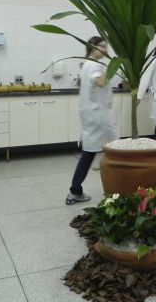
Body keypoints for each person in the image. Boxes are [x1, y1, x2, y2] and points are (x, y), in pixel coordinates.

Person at [66, 36, 116, 205]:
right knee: (109, 151)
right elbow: (100, 82)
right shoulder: (94, 65)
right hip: (98, 117)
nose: (105, 49)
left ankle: (76, 190)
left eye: (106, 46)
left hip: (93, 115)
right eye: (102, 46)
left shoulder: (87, 64)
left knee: (90, 153)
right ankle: (76, 190)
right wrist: (113, 67)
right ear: (91, 46)